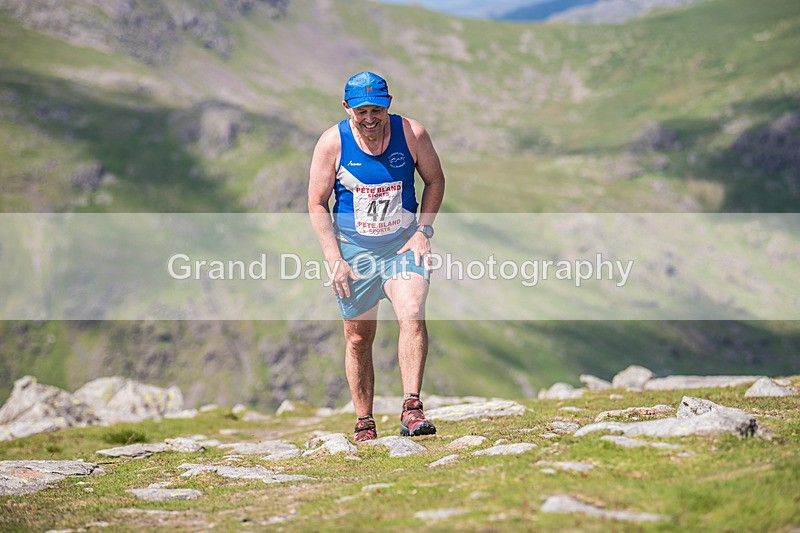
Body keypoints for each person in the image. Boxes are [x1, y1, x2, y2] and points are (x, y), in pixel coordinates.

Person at [308, 71, 446, 442]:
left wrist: (423, 231)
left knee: (412, 312)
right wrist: (334, 257)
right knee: (358, 339)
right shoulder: (332, 143)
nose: (370, 118)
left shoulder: (412, 134)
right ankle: (364, 422)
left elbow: (435, 180)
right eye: (361, 111)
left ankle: (412, 409)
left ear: (389, 105)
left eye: (377, 110)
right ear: (346, 108)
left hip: (402, 245)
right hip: (354, 251)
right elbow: (317, 202)